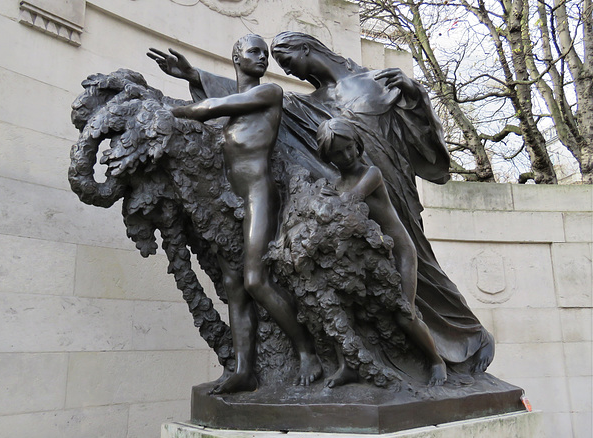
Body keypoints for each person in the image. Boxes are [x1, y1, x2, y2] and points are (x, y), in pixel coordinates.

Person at [148, 31, 495, 376]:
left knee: (421, 262)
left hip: (392, 183)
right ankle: (392, 355)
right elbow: (252, 99)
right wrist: (196, 77)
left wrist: (414, 92)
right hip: (352, 185)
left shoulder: (376, 80)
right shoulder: (311, 101)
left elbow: (427, 140)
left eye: (289, 61)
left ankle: (469, 334)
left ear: (307, 48)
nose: (292, 71)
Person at [165, 34, 322, 393]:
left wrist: (167, 111)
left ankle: (307, 350)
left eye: (265, 54)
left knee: (255, 280)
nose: (263, 58)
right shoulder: (240, 99)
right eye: (254, 52)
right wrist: (192, 76)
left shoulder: (268, 94)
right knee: (234, 286)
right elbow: (222, 96)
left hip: (258, 195)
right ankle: (243, 370)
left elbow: (212, 107)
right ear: (237, 57)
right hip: (230, 198)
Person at [317, 117, 447, 386]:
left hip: (400, 252)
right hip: (368, 256)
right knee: (342, 306)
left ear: (358, 144)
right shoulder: (333, 184)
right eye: (338, 153)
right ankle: (348, 365)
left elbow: (349, 202)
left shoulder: (371, 174)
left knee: (404, 313)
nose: (347, 155)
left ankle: (436, 360)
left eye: (349, 147)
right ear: (328, 157)